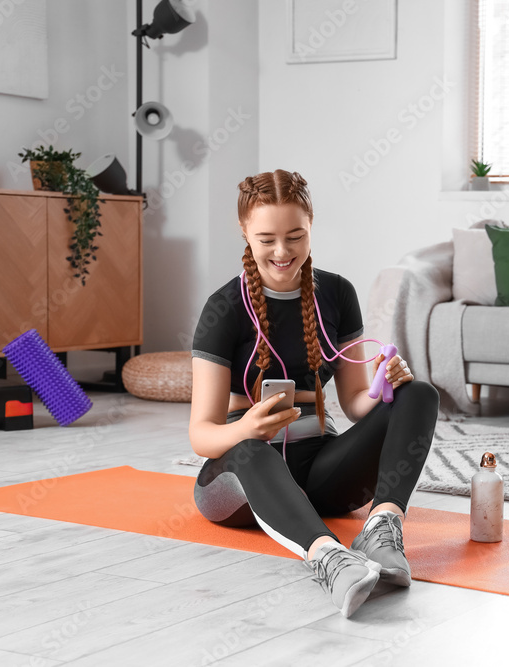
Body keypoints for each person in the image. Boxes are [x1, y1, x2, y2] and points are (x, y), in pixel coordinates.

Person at [188, 169, 440, 618]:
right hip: (238, 484)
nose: (282, 252)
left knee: (419, 394)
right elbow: (201, 436)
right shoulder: (223, 308)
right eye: (266, 239)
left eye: (295, 236)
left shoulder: (337, 294)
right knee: (252, 449)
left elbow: (354, 405)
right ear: (244, 231)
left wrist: (386, 385)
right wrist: (246, 427)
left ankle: (381, 530)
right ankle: (329, 558)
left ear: (310, 227)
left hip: (318, 474)